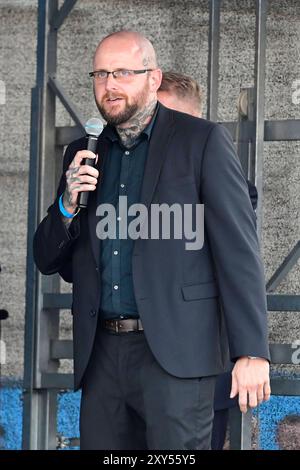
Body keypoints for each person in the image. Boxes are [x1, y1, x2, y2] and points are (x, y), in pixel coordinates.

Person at [33, 31, 271, 450]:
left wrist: (251, 350)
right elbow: (48, 259)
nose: (110, 85)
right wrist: (68, 204)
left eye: (123, 72)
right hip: (102, 356)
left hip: (176, 354)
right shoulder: (83, 153)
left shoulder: (201, 141)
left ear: (153, 78)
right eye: (101, 74)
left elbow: (238, 252)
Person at [157, 71, 258, 449]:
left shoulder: (224, 182)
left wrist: (251, 353)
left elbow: (239, 265)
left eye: (168, 119)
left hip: (197, 371)